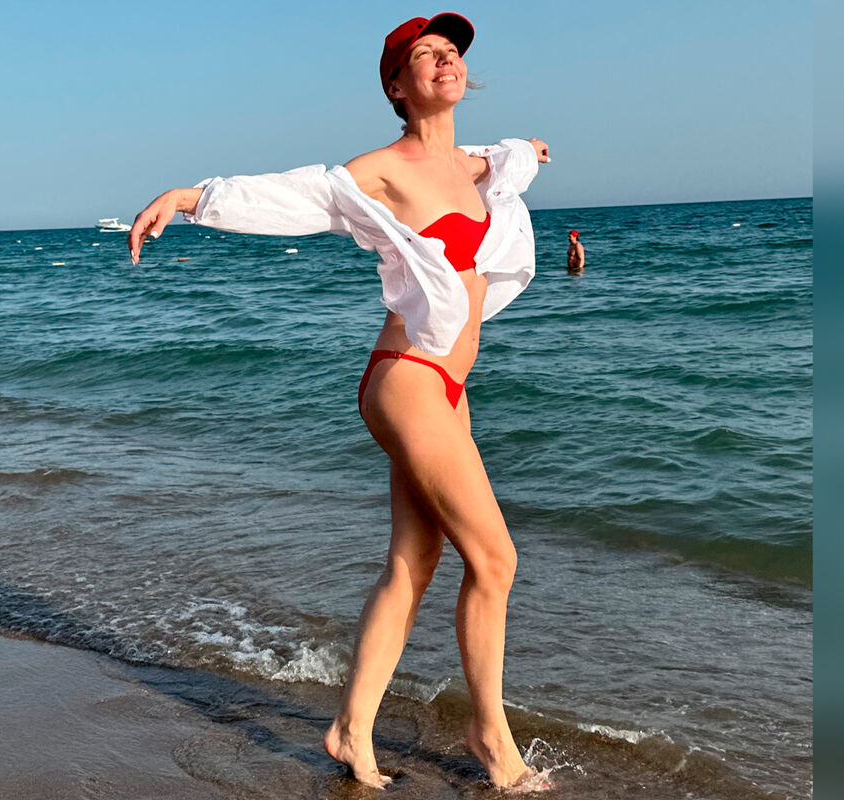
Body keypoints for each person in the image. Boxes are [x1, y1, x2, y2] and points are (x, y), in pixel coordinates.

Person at [127, 12, 551, 791]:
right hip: (408, 378)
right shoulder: (381, 169)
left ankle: (351, 730)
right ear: (397, 86)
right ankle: (491, 738)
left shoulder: (476, 166)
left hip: (449, 389)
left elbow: (508, 160)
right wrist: (191, 197)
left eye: (451, 52)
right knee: (496, 560)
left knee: (415, 560)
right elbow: (298, 196)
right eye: (423, 54)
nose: (444, 60)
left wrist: (529, 149)